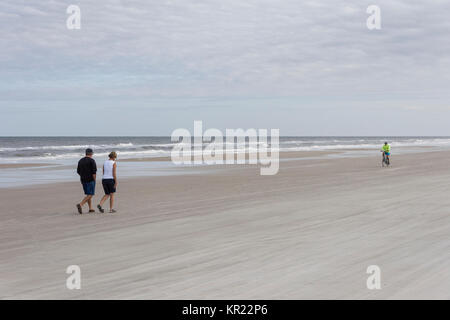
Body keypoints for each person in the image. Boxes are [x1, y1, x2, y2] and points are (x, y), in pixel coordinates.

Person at [76, 148, 97, 214]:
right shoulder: (92, 161)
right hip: (90, 179)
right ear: (91, 153)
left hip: (83, 180)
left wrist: (83, 176)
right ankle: (81, 204)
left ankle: (90, 208)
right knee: (90, 194)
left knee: (88, 194)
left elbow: (78, 171)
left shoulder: (80, 161)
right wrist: (94, 179)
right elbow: (94, 172)